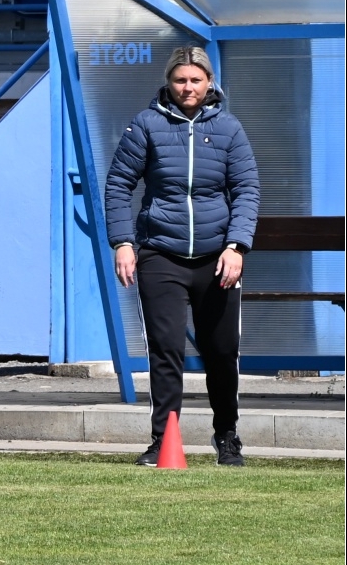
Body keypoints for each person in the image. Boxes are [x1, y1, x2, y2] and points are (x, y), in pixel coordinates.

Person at [104, 45, 259, 467]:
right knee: (166, 349)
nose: (188, 87)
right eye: (180, 80)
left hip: (217, 257)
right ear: (168, 82)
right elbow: (118, 185)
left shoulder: (228, 128)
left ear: (209, 82)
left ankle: (227, 435)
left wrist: (236, 245)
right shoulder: (146, 125)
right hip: (161, 254)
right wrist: (123, 242)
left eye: (195, 80)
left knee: (221, 351)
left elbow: (246, 189)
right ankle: (163, 440)